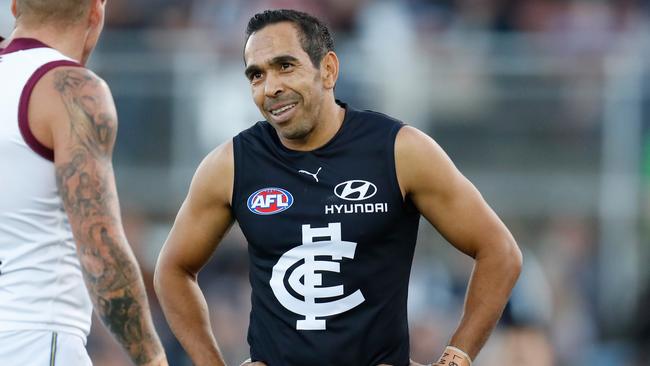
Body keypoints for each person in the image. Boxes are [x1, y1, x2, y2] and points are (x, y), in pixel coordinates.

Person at [155, 9, 522, 366]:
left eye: (285, 66)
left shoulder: (400, 151)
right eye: (256, 75)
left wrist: (455, 358)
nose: (271, 87)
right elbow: (172, 270)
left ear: (328, 69)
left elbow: (500, 251)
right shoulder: (230, 166)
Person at [0, 0, 167, 365]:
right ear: (96, 10)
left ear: (14, 7)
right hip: (35, 339)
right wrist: (153, 359)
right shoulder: (70, 88)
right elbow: (101, 251)